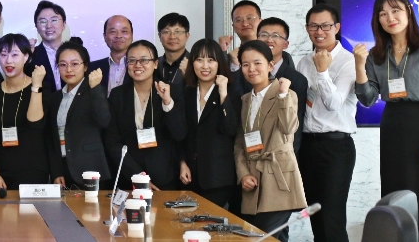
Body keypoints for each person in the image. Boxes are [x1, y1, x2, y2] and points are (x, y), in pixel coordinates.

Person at [354, 0, 419, 242]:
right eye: (383, 13)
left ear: (408, 10)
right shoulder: (376, 55)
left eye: (395, 10)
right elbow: (367, 98)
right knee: (396, 194)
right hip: (393, 126)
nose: (390, 18)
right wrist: (359, 65)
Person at [295, 4, 358, 242]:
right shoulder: (303, 62)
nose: (319, 31)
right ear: (307, 28)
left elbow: (334, 103)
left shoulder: (347, 61)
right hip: (308, 146)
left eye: (325, 26)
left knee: (332, 218)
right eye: (313, 26)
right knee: (315, 216)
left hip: (336, 147)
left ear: (337, 27)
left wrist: (322, 72)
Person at [234, 40, 306, 242]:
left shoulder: (286, 93)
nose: (251, 69)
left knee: (266, 237)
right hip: (254, 179)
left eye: (257, 63)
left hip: (279, 177)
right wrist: (243, 174)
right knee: (272, 236)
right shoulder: (245, 100)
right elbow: (240, 143)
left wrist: (283, 95)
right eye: (245, 64)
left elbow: (289, 128)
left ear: (270, 65)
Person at [104, 40, 186, 190]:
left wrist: (167, 102)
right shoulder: (117, 96)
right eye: (132, 61)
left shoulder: (172, 91)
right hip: (128, 178)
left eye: (144, 60)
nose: (138, 65)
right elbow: (112, 142)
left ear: (155, 64)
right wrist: (137, 176)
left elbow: (179, 134)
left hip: (165, 178)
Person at [0, 34, 62, 189]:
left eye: (15, 54)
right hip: (1, 172)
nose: (8, 61)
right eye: (3, 55)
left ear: (26, 57)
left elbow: (35, 123)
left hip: (34, 170)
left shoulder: (42, 88)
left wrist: (36, 85)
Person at [178, 38, 240, 208]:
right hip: (189, 176)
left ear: (219, 62)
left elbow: (230, 129)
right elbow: (182, 134)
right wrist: (182, 163)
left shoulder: (232, 92)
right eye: (199, 60)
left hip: (218, 179)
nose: (205, 66)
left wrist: (223, 96)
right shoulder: (186, 93)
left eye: (211, 60)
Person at [45, 39, 110, 188]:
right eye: (62, 64)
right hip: (63, 169)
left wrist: (95, 89)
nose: (68, 70)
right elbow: (51, 137)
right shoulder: (55, 98)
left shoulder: (94, 91)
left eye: (74, 64)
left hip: (90, 169)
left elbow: (104, 121)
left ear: (85, 66)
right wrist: (56, 171)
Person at [255, 18, 309, 153]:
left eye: (276, 36)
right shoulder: (247, 73)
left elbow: (297, 124)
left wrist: (291, 157)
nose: (269, 40)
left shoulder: (297, 80)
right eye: (264, 35)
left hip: (280, 154)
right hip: (250, 151)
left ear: (286, 44)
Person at [220, 0, 294, 70]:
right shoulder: (229, 58)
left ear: (260, 21)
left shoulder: (282, 56)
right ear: (233, 27)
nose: (245, 24)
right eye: (238, 20)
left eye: (250, 18)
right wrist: (220, 51)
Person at [25, 0, 67, 93]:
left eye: (54, 20)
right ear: (36, 26)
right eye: (43, 21)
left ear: (64, 25)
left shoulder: (75, 54)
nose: (49, 26)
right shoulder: (30, 56)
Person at [89, 15, 134, 97]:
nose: (118, 36)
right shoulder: (92, 68)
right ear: (104, 36)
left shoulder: (141, 67)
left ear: (132, 35)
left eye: (124, 31)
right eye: (113, 31)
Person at [157, 12, 191, 88]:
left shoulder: (195, 64)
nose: (172, 37)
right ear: (159, 36)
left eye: (177, 32)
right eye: (167, 32)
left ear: (187, 36)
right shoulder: (154, 64)